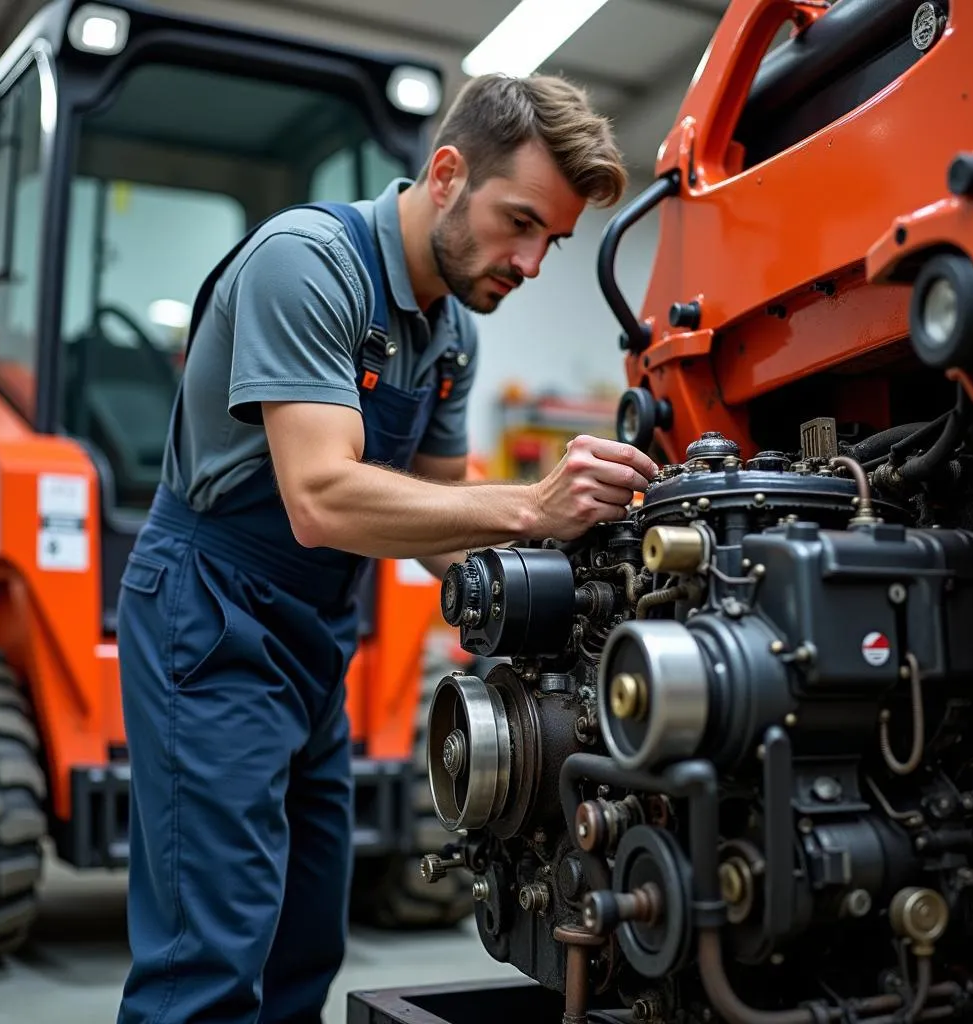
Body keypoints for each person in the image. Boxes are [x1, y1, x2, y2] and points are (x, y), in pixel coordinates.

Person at [115, 72, 657, 1024]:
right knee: (211, 953)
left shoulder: (449, 334)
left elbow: (441, 522)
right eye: (521, 222)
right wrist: (532, 506)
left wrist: (576, 595)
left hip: (316, 638)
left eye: (554, 242)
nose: (531, 263)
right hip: (210, 614)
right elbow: (321, 498)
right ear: (447, 173)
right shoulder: (307, 263)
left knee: (304, 939)